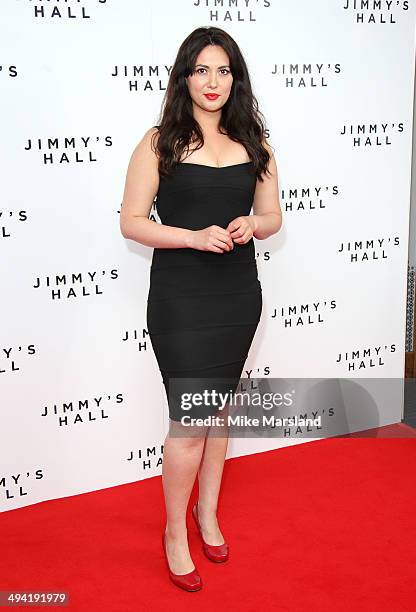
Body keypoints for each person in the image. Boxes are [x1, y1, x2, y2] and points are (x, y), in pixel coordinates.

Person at [120, 26, 282, 592]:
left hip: (238, 295)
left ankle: (206, 512)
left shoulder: (254, 143)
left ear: (234, 79)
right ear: (184, 76)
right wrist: (191, 236)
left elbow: (272, 217)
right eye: (201, 70)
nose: (213, 82)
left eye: (223, 71)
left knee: (220, 414)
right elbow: (132, 222)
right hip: (181, 297)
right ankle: (173, 531)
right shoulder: (159, 141)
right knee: (190, 422)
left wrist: (252, 225)